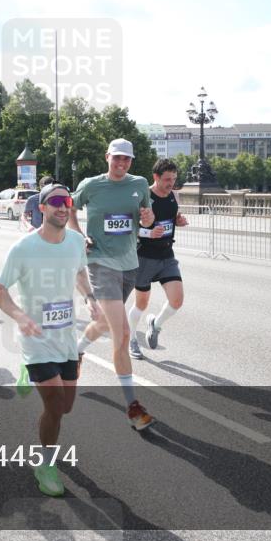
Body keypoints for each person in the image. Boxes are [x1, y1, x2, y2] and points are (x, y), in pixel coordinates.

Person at [0, 183, 98, 497]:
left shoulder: (76, 241)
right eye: (55, 201)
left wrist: (90, 298)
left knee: (66, 406)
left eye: (67, 201)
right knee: (54, 403)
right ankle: (46, 465)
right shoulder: (23, 248)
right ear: (41, 208)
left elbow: (79, 272)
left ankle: (27, 372)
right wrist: (19, 316)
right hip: (36, 338)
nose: (63, 206)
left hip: (65, 336)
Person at [68, 138, 156, 431]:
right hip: (100, 263)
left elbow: (147, 217)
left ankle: (76, 351)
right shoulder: (91, 185)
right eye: (117, 157)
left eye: (126, 159)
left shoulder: (139, 184)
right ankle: (133, 407)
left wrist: (148, 217)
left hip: (129, 264)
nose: (121, 163)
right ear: (107, 157)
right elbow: (70, 207)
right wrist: (79, 234)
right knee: (123, 333)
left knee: (105, 323)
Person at [130, 158, 188, 356]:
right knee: (141, 304)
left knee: (177, 300)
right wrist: (148, 233)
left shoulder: (174, 195)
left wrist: (178, 221)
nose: (171, 183)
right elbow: (130, 227)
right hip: (144, 256)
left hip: (166, 255)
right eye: (167, 179)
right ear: (155, 177)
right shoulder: (144, 196)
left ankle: (155, 324)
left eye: (174, 179)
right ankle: (132, 340)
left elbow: (170, 218)